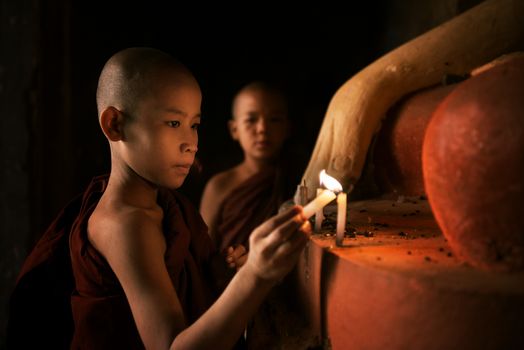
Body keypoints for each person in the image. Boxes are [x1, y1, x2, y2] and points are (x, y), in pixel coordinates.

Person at [7, 47, 310, 349]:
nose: (190, 144)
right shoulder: (124, 224)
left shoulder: (163, 204)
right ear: (115, 124)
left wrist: (217, 277)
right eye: (174, 124)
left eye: (194, 125)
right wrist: (255, 276)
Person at [200, 81, 299, 261]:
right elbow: (202, 254)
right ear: (234, 129)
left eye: (274, 119)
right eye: (251, 120)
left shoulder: (299, 180)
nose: (262, 129)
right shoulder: (220, 186)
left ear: (287, 128)